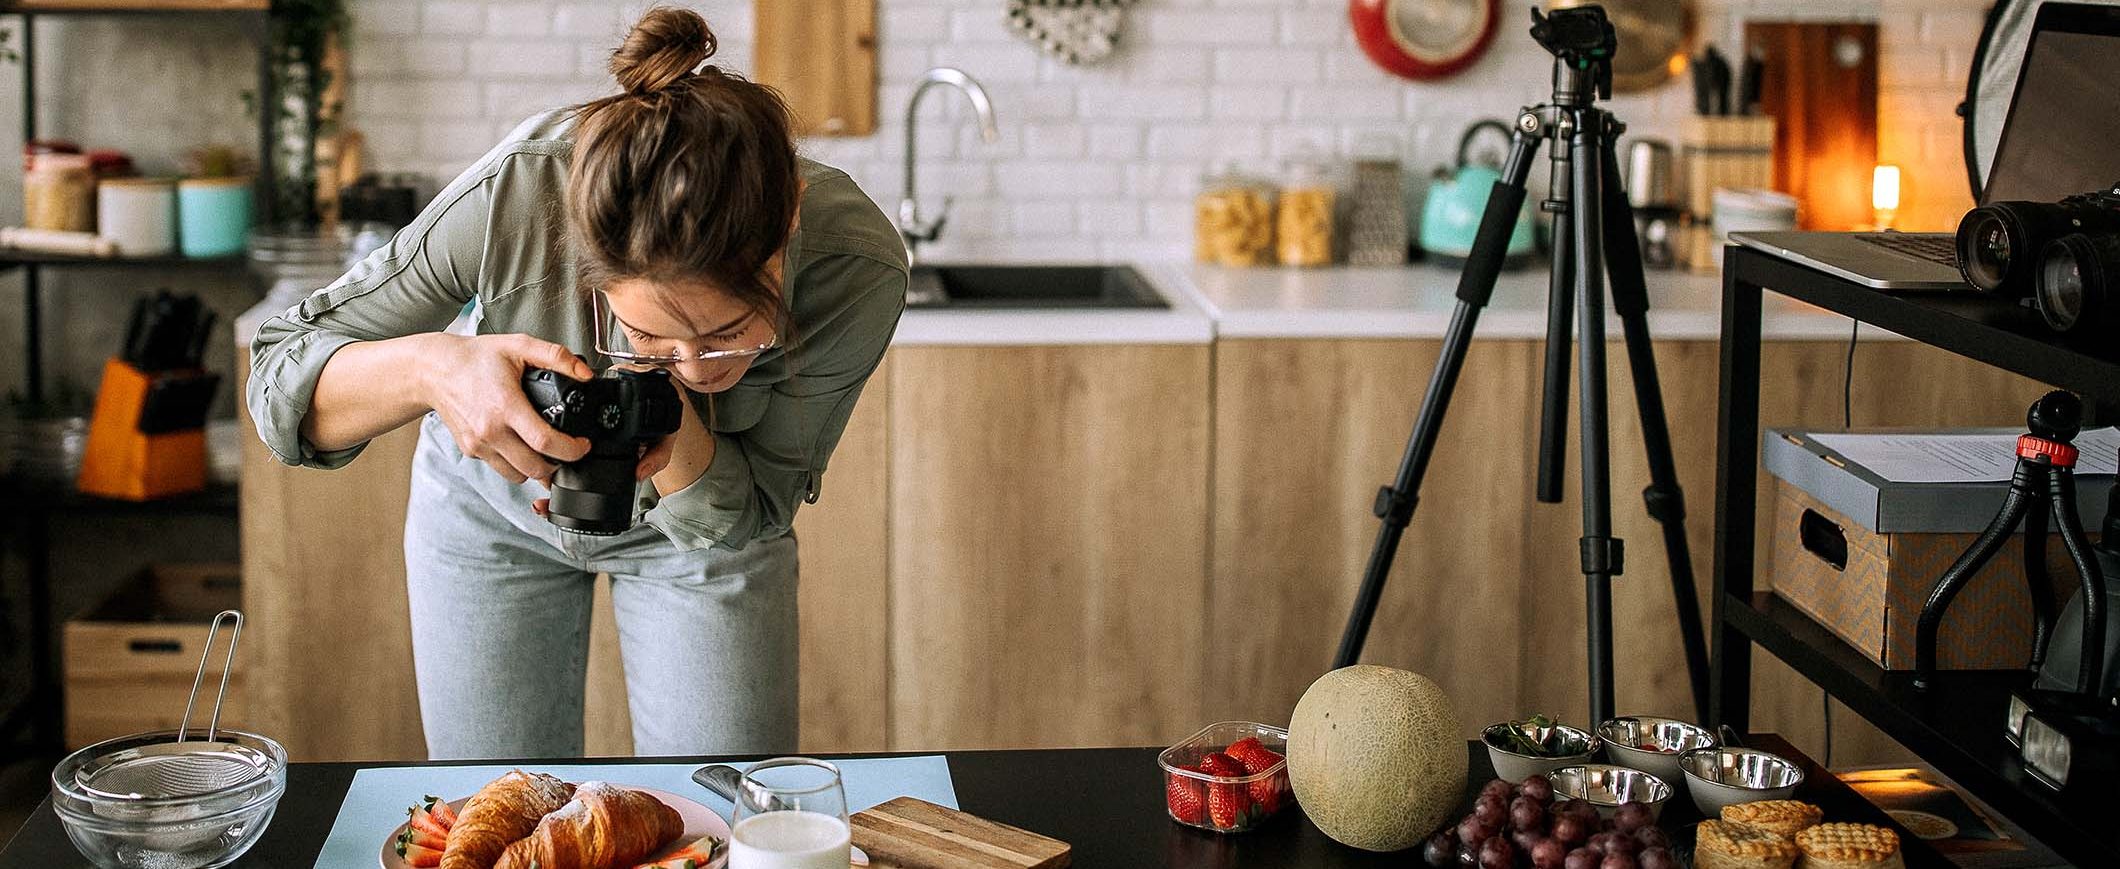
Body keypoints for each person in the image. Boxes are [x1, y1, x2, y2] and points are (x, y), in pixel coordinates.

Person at [246, 7, 906, 759]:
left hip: (705, 527)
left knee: (726, 812)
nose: (691, 369)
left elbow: (753, 509)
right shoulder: (523, 192)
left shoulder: (857, 266)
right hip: (488, 519)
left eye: (730, 337)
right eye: (650, 338)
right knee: (492, 810)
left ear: (788, 219)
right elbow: (278, 374)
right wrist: (435, 367)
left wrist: (678, 428)